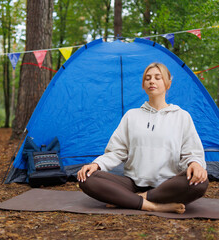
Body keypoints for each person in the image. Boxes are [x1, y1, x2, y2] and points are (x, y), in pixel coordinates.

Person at [77, 62, 208, 214]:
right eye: (148, 78)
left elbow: (192, 152)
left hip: (168, 185)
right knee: (86, 178)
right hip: (133, 183)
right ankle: (153, 205)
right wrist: (96, 165)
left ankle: (134, 199)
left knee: (201, 182)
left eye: (157, 78)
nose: (152, 81)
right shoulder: (131, 116)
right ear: (143, 85)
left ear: (168, 84)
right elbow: (116, 151)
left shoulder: (182, 117)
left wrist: (196, 164)